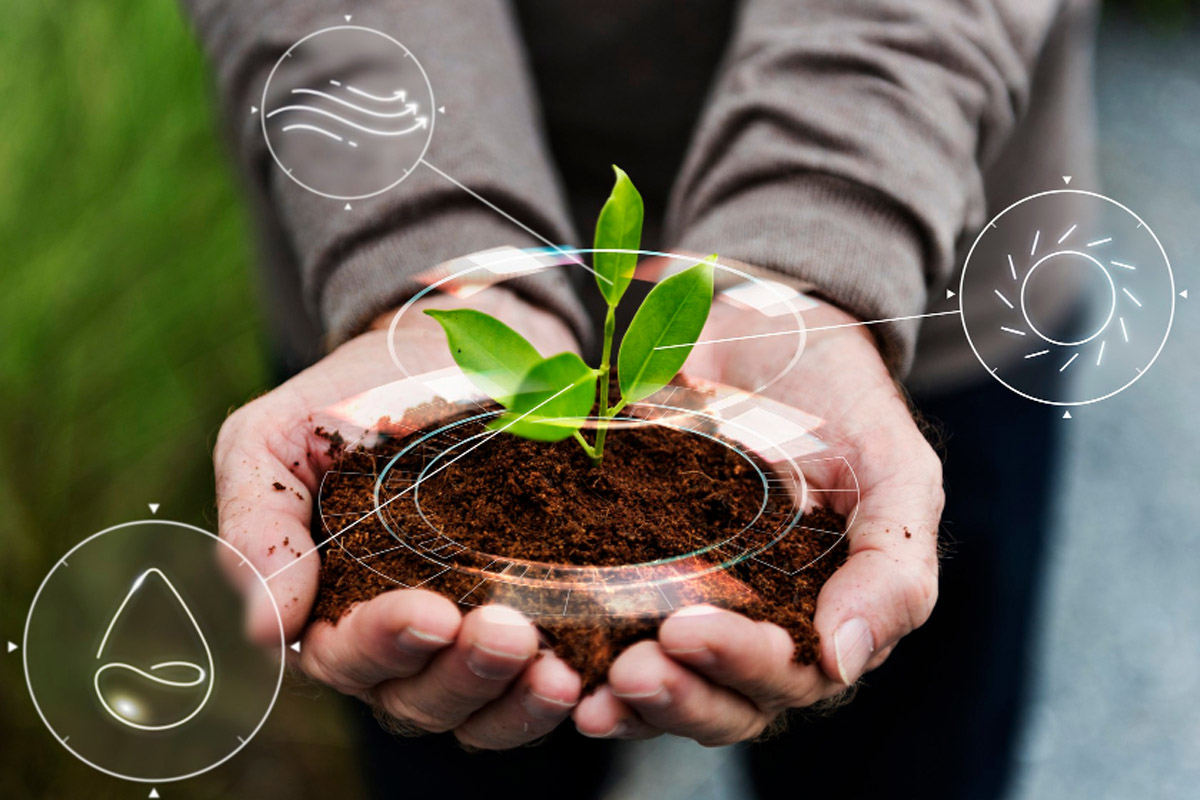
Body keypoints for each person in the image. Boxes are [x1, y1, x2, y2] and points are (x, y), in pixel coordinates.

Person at [187, 1, 1099, 797]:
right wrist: (424, 241)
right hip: (386, 296)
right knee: (458, 731)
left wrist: (826, 226)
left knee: (900, 751)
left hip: (911, 243)